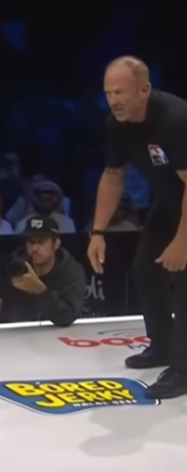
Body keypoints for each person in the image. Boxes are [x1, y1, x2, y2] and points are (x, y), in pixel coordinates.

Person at [88, 56, 187, 399]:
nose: (113, 100)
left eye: (120, 92)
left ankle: (184, 368)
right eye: (108, 93)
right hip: (170, 202)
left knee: (185, 281)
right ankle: (162, 345)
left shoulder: (175, 120)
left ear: (144, 90)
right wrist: (98, 232)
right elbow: (113, 175)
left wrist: (182, 241)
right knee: (145, 269)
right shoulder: (117, 124)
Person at [0, 216, 86, 326]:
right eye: (31, 242)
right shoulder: (13, 266)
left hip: (56, 333)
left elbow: (67, 317)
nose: (35, 248)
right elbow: (7, 313)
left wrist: (41, 291)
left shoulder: (71, 271)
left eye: (41, 242)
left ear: (56, 244)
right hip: (19, 332)